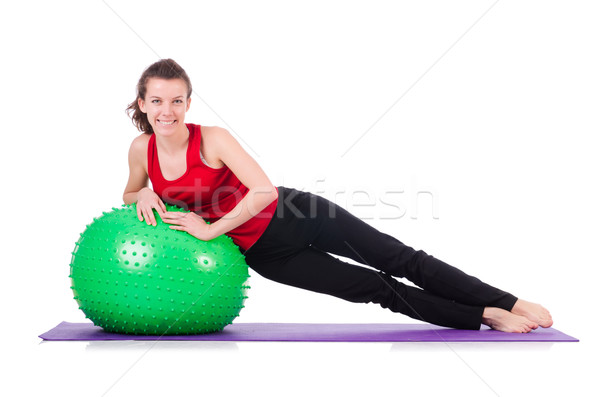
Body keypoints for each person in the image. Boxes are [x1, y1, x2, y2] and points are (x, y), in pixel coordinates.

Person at [123, 58, 553, 333]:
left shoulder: (213, 138)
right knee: (377, 289)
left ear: (188, 103)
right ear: (142, 103)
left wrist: (209, 229)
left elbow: (263, 190)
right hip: (268, 256)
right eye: (157, 101)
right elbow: (129, 192)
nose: (167, 111)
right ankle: (483, 315)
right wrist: (140, 192)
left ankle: (509, 300)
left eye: (177, 101)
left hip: (296, 215)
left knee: (402, 260)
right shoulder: (141, 149)